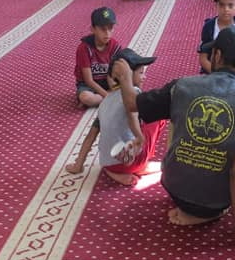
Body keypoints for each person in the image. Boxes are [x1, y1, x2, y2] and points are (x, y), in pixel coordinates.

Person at [116, 26, 235, 256]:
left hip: (174, 187)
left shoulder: (182, 86)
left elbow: (131, 103)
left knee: (174, 118)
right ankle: (209, 213)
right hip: (215, 201)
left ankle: (191, 207)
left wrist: (126, 76)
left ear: (216, 56)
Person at [65, 48, 168, 186]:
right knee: (158, 112)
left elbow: (90, 136)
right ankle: (141, 165)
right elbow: (132, 116)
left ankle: (113, 171)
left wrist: (78, 164)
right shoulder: (135, 93)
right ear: (127, 75)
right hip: (129, 161)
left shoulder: (104, 102)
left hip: (107, 163)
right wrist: (139, 137)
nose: (145, 77)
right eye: (141, 73)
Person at [74, 7, 123, 108]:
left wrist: (117, 86)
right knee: (86, 98)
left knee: (131, 82)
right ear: (93, 29)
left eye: (110, 28)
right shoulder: (84, 48)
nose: (107, 33)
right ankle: (107, 98)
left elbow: (115, 74)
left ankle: (103, 99)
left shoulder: (115, 46)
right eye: (103, 29)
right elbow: (88, 80)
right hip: (88, 85)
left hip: (107, 81)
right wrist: (107, 96)